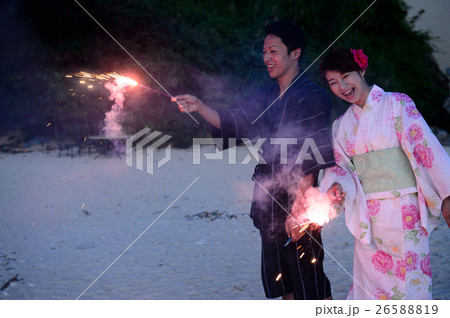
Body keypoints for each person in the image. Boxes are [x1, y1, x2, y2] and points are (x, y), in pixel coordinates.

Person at [172, 20, 335, 300]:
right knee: (284, 284)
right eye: (264, 52)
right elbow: (232, 121)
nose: (267, 58)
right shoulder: (266, 95)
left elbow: (312, 156)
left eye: (273, 51)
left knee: (311, 283)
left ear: (295, 53)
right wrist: (199, 106)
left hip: (300, 196)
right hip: (267, 195)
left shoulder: (313, 96)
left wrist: (299, 210)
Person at [319, 47, 450, 300]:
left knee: (409, 289)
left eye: (346, 75)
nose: (342, 86)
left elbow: (426, 147)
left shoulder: (397, 104)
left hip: (404, 212)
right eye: (333, 82)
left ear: (362, 70)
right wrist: (338, 185)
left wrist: (447, 194)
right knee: (369, 291)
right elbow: (341, 168)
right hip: (368, 218)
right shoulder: (342, 125)